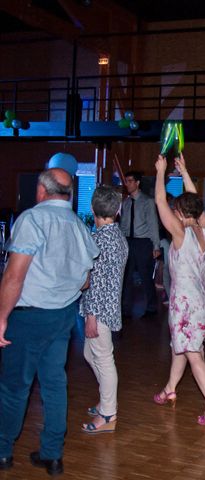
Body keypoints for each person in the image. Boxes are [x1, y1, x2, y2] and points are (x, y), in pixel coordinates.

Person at [0, 168, 99, 476]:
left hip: (29, 317)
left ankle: (3, 451)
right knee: (55, 385)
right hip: (62, 316)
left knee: (15, 387)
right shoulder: (78, 225)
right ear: (68, 194)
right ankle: (52, 456)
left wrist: (1, 317)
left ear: (41, 191)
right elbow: (85, 281)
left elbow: (14, 275)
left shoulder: (32, 219)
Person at [152, 154, 205, 425]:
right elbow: (197, 204)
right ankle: (170, 389)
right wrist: (184, 172)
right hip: (204, 301)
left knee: (195, 355)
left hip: (185, 304)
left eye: (176, 210)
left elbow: (160, 202)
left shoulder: (180, 235)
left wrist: (161, 172)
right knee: (181, 347)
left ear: (180, 213)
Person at [80, 186, 129, 434]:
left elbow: (95, 282)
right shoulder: (118, 236)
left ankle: (108, 414)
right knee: (90, 355)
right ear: (118, 210)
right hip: (108, 307)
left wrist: (91, 316)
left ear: (92, 209)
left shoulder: (98, 240)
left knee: (103, 359)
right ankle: (107, 399)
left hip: (98, 310)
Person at [120, 171, 161, 317]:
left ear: (137, 183)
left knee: (145, 276)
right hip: (128, 241)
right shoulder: (125, 202)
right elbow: (123, 224)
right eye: (126, 181)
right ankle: (125, 308)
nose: (127, 184)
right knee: (126, 277)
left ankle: (151, 307)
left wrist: (156, 245)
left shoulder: (147, 201)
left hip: (143, 242)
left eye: (130, 181)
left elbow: (152, 224)